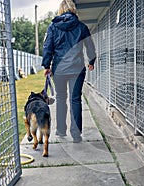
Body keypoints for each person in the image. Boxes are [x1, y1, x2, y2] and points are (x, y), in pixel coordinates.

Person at [41, 0, 96, 143]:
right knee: (75, 99)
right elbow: (90, 46)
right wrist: (91, 61)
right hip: (77, 68)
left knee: (60, 98)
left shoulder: (53, 27)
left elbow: (48, 47)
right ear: (73, 9)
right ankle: (76, 135)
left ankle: (60, 130)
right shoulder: (81, 27)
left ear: (60, 10)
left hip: (59, 69)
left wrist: (46, 65)